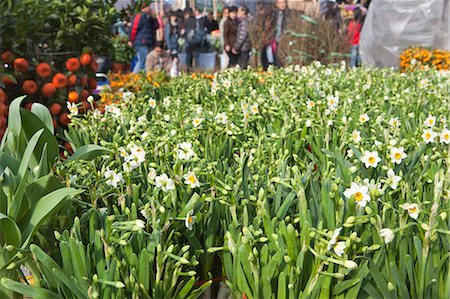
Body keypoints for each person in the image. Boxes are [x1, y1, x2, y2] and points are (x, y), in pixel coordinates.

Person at [129, 4, 159, 73]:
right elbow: (134, 29)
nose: (150, 8)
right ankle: (134, 76)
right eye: (148, 6)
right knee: (143, 61)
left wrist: (154, 17)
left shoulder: (149, 17)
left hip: (148, 42)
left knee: (146, 61)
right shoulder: (139, 16)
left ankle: (141, 77)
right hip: (141, 43)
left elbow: (156, 26)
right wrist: (131, 40)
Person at [261, 0, 289, 70]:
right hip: (274, 39)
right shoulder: (273, 14)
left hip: (284, 39)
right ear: (277, 4)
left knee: (282, 58)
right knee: (273, 56)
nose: (282, 5)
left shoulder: (289, 14)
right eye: (280, 3)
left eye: (283, 3)